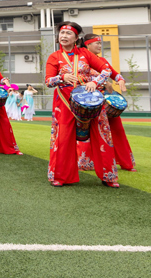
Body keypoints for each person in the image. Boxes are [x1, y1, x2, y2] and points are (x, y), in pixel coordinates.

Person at [45, 22, 118, 187]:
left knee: (102, 135)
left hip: (91, 98)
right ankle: (60, 176)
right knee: (63, 138)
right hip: (64, 101)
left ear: (76, 38)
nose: (64, 36)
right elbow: (48, 81)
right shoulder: (54, 57)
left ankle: (109, 176)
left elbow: (106, 70)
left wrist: (95, 81)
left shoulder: (85, 53)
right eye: (61, 33)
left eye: (68, 34)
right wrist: (61, 78)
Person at [80, 34, 135, 172]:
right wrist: (105, 82)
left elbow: (114, 73)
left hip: (104, 100)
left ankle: (125, 162)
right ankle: (86, 161)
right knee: (86, 131)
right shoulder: (80, 61)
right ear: (87, 45)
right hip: (88, 100)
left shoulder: (101, 60)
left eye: (100, 43)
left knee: (117, 129)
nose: (99, 46)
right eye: (96, 43)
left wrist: (120, 79)